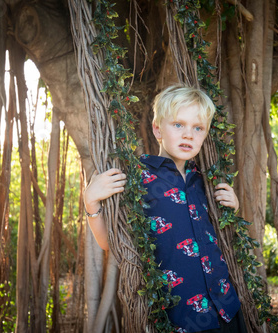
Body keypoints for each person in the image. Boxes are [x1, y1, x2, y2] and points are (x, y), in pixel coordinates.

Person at [84, 85, 248, 332]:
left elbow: (218, 237)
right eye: (178, 125)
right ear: (157, 129)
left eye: (198, 128)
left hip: (227, 310)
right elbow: (111, 243)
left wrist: (230, 210)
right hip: (180, 319)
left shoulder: (205, 180)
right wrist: (91, 203)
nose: (188, 135)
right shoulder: (137, 179)